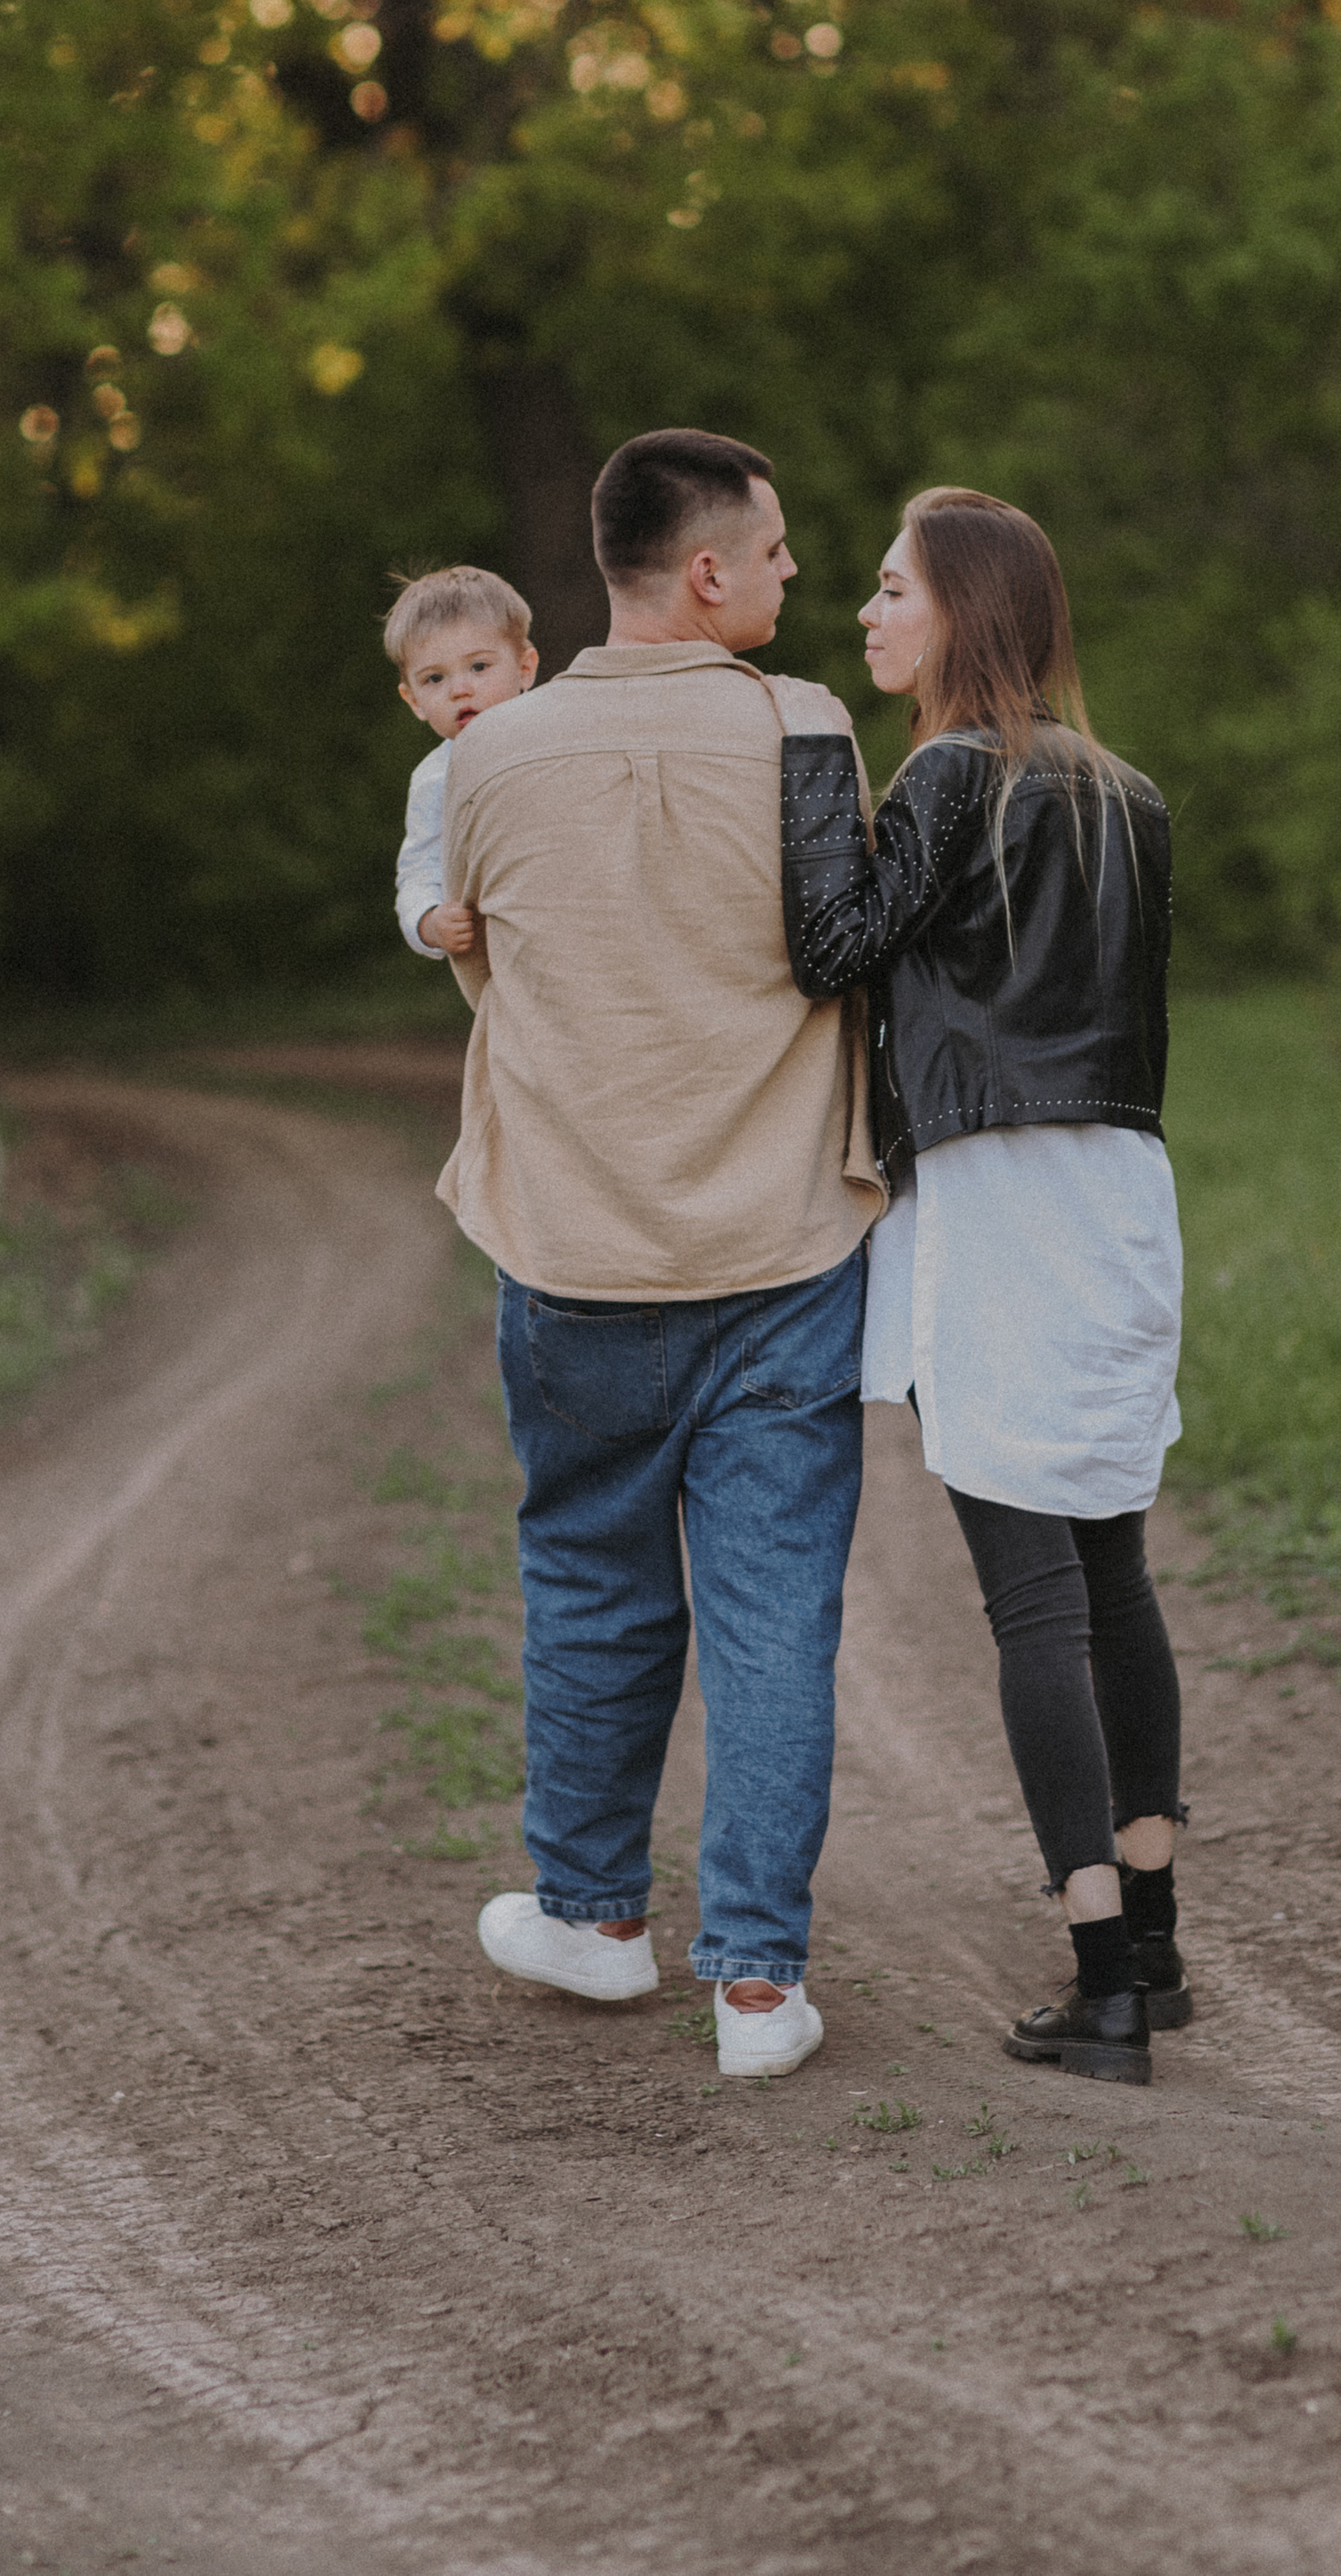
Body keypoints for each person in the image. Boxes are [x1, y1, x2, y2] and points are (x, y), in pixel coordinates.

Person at [436, 429, 880, 2082]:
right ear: (705, 571)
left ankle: (596, 1917)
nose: (789, 575)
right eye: (771, 550)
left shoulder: (491, 753)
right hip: (781, 1241)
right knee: (775, 1609)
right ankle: (757, 1985)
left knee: (591, 1578)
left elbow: (495, 974)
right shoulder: (804, 723)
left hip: (574, 1247)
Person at [780, 485, 1188, 2084]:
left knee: (1030, 1594)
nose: (870, 614)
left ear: (962, 608)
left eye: (891, 589)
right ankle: (1149, 1943)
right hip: (1120, 1186)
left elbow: (833, 944)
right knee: (1113, 1571)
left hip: (998, 1190)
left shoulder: (949, 768)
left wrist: (818, 764)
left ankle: (1098, 1985)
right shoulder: (1129, 792)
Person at [385, 566, 540, 961]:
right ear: (414, 699)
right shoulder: (435, 779)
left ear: (525, 668)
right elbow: (420, 871)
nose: (460, 689)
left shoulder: (557, 740)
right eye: (435, 679)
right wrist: (430, 922)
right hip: (504, 951)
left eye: (478, 667)